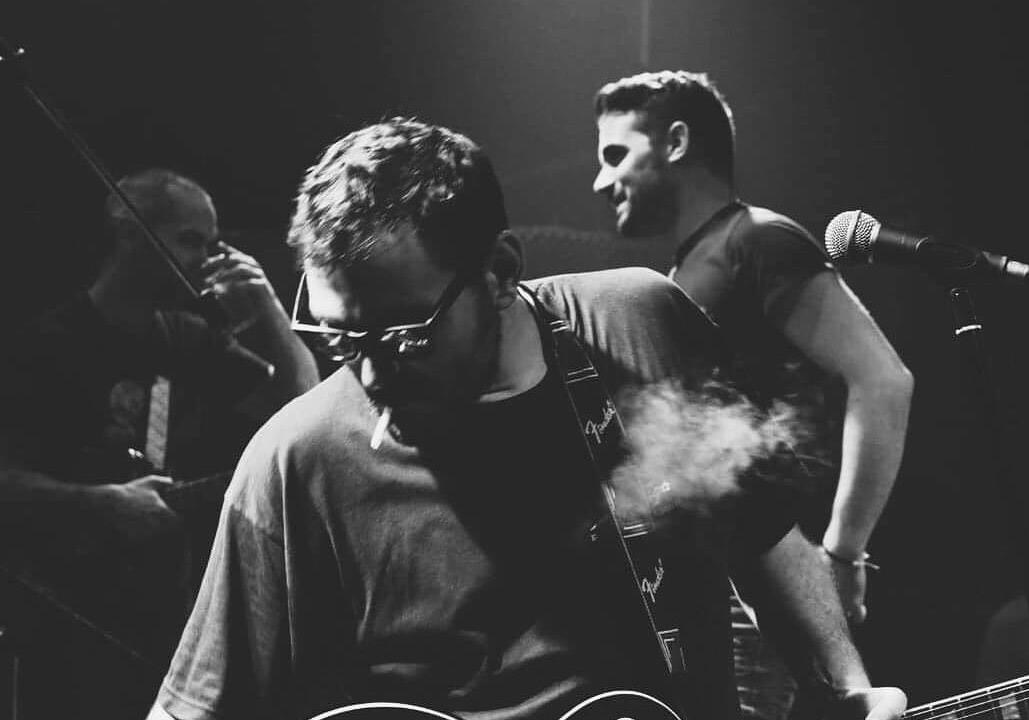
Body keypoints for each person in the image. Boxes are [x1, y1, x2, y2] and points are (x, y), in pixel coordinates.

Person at [146, 117, 905, 720]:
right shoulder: (293, 461)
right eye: (341, 337)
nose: (370, 373)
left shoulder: (642, 326)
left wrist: (849, 691)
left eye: (406, 334)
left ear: (502, 271)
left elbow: (766, 535)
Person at [591, 71, 914, 720]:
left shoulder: (757, 240)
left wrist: (844, 552)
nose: (601, 182)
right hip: (725, 586)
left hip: (768, 588)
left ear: (676, 142)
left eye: (615, 154)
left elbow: (883, 381)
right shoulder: (684, 272)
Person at [0, 169, 320, 718]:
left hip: (162, 612)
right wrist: (102, 504)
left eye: (213, 245)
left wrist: (267, 308)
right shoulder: (43, 345)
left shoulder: (185, 337)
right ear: (129, 230)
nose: (205, 261)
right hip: (62, 617)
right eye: (190, 240)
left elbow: (305, 409)